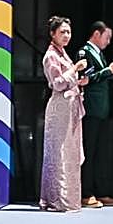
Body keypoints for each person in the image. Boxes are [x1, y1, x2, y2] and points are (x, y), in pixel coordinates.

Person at [39, 16, 89, 212]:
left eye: (68, 32)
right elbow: (57, 83)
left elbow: (68, 82)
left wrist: (79, 81)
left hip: (70, 107)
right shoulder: (50, 56)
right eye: (62, 32)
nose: (66, 36)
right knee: (58, 153)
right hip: (59, 107)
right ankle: (57, 199)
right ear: (53, 34)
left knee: (70, 152)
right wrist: (75, 69)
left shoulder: (63, 54)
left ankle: (69, 199)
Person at [78, 21, 113, 207]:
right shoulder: (85, 53)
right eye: (106, 37)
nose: (108, 42)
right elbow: (86, 79)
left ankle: (100, 191)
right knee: (89, 153)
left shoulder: (99, 54)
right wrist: (108, 70)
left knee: (100, 154)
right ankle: (86, 193)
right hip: (90, 110)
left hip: (101, 110)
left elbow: (101, 81)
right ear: (96, 34)